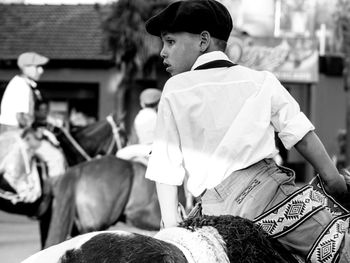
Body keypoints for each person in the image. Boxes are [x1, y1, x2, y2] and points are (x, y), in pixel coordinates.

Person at [144, 0, 350, 262]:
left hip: (212, 213)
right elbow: (301, 135)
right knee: (341, 247)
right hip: (270, 201)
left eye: (170, 42)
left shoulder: (174, 90)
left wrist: (172, 226)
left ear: (203, 40)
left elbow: (166, 166)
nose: (163, 51)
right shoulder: (261, 81)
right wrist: (333, 181)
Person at [0, 52, 49, 133]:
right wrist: (42, 133)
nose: (41, 70)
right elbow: (21, 118)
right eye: (37, 66)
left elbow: (28, 115)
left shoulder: (21, 83)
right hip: (12, 132)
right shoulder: (21, 85)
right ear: (26, 67)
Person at [116, 88, 161, 165]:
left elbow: (133, 138)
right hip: (155, 149)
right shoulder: (158, 117)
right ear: (158, 103)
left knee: (119, 154)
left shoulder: (138, 117)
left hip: (140, 148)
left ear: (142, 104)